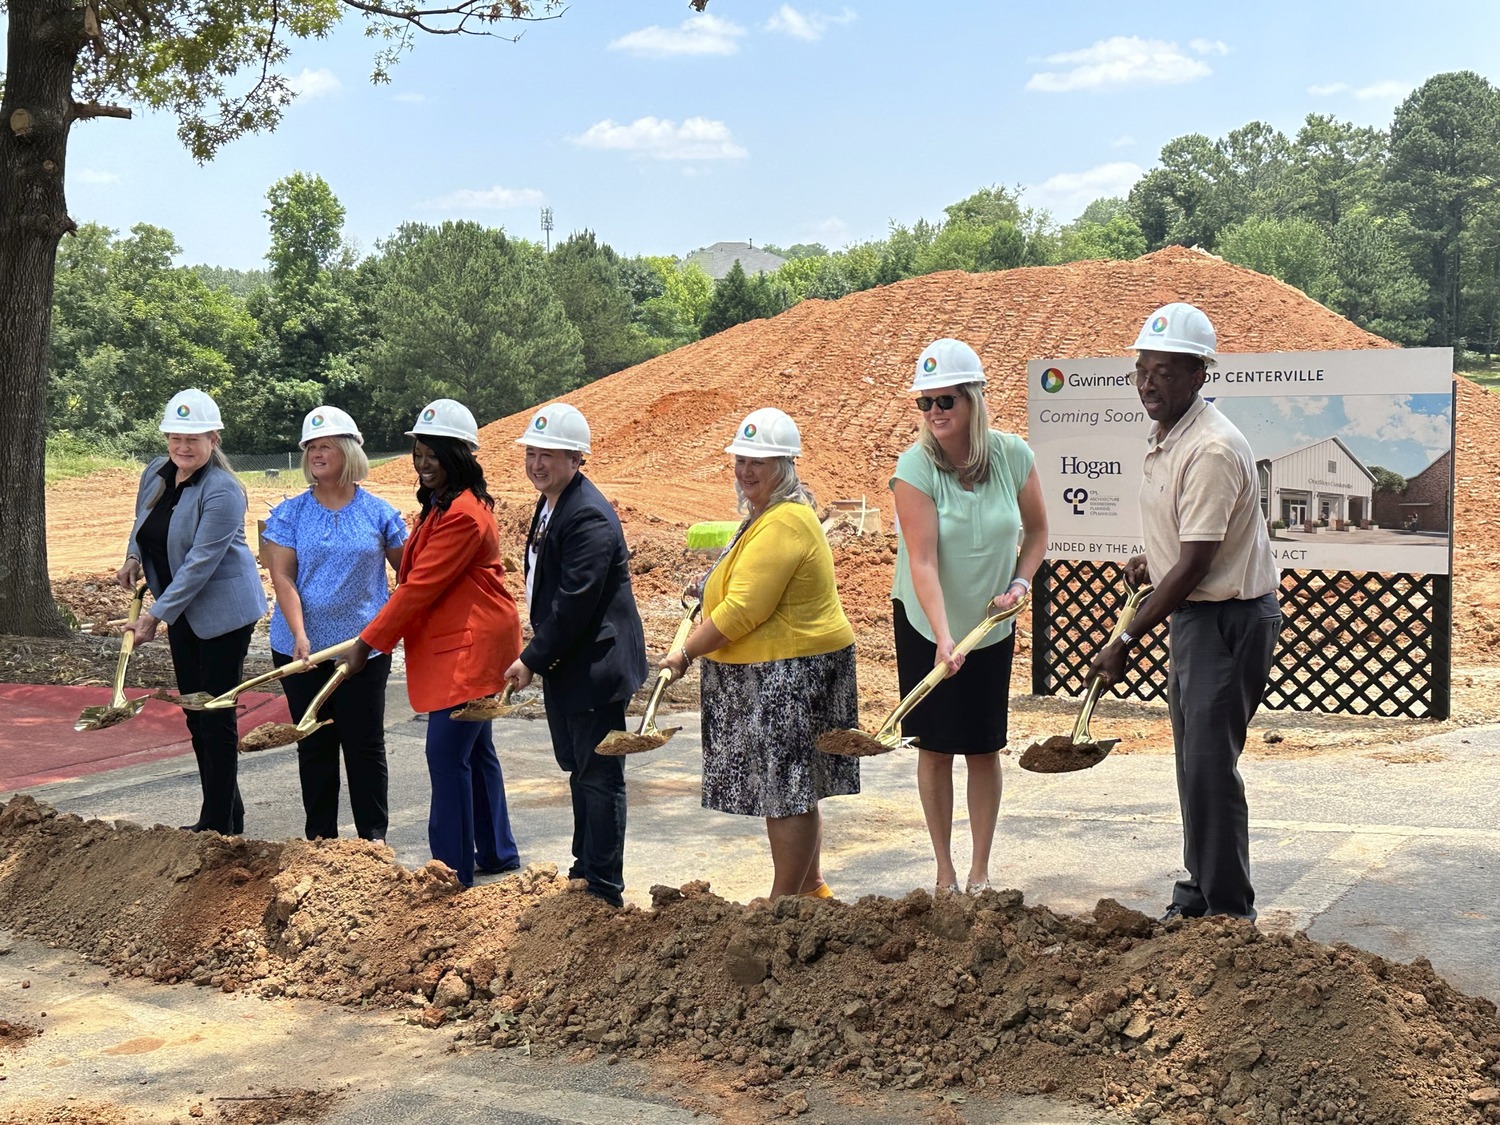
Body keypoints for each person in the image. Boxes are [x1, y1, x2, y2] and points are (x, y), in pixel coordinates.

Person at [1089, 302, 1281, 922]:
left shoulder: (1213, 449)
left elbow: (1197, 566)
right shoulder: (1171, 438)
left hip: (1227, 620)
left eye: (1166, 372)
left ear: (1200, 374)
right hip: (1201, 618)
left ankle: (1227, 917)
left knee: (1208, 768)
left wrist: (1126, 638)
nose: (1149, 383)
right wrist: (1154, 557)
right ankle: (1202, 893)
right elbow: (1187, 545)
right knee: (1194, 764)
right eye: (1143, 370)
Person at [660, 408, 859, 901]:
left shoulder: (785, 521)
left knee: (786, 789)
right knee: (791, 786)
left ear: (786, 466)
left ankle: (783, 903)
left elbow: (744, 611)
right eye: (741, 460)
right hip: (773, 668)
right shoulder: (767, 516)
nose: (746, 470)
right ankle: (810, 890)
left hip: (788, 672)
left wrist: (685, 652)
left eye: (759, 462)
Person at [890, 339, 1047, 895]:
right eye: (925, 403)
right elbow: (924, 560)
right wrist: (941, 635)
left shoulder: (1013, 456)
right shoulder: (914, 467)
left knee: (983, 746)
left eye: (946, 401)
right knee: (934, 747)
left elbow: (1038, 531)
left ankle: (980, 872)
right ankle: (944, 871)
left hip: (990, 624)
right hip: (926, 624)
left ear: (975, 399)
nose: (935, 413)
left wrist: (1020, 582)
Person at [345, 399, 522, 887]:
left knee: (446, 755)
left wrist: (367, 643)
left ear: (460, 455)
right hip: (466, 641)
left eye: (433, 454)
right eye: (418, 453)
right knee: (476, 749)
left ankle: (450, 872)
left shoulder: (463, 515)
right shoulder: (442, 506)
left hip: (471, 650)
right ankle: (498, 851)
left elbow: (419, 587)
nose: (423, 463)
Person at [504, 403, 648, 909]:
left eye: (548, 454)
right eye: (532, 453)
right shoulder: (552, 504)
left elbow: (575, 604)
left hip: (595, 665)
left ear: (576, 458)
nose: (536, 463)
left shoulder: (586, 513)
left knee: (599, 775)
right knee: (579, 769)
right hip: (571, 662)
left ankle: (603, 886)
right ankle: (584, 870)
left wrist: (531, 658)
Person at [116, 389, 268, 835]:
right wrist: (132, 557)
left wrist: (153, 616)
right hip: (180, 610)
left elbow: (200, 562)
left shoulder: (223, 491)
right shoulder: (156, 473)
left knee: (215, 713)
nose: (183, 448)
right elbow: (142, 522)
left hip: (223, 613)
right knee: (193, 710)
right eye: (175, 438)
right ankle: (227, 813)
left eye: (194, 439)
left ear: (214, 439)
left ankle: (217, 827)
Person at [263, 406, 407, 843]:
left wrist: (383, 631)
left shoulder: (380, 514)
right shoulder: (290, 515)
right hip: (301, 650)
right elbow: (282, 577)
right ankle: (320, 841)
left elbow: (410, 578)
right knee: (315, 743)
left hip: (363, 651)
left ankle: (372, 842)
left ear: (348, 451)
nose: (315, 454)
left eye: (325, 446)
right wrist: (301, 636)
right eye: (310, 447)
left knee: (364, 746)